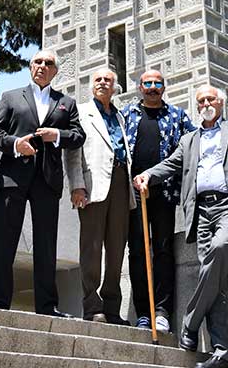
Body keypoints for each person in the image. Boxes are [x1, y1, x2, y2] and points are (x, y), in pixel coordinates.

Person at [133, 85, 228, 368]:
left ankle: (189, 323)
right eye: (200, 101)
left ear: (221, 103)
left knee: (220, 249)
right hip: (200, 212)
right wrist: (147, 175)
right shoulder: (189, 140)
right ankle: (223, 352)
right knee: (214, 280)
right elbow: (170, 165)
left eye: (210, 99)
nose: (205, 103)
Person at [0, 48, 85, 315]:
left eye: (48, 63)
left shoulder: (66, 102)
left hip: (48, 180)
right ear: (30, 67)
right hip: (12, 176)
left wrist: (57, 135)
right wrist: (16, 144)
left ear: (55, 70)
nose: (42, 66)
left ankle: (47, 306)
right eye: (37, 61)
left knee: (46, 245)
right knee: (2, 241)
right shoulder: (10, 97)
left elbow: (78, 136)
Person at [122, 69, 195, 333]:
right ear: (139, 87)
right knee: (138, 252)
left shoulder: (177, 116)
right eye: (147, 83)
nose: (152, 87)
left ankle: (162, 312)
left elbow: (194, 143)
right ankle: (143, 312)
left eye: (157, 83)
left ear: (164, 87)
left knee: (163, 249)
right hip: (133, 195)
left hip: (164, 195)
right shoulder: (127, 114)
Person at [65, 68, 135, 323]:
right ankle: (92, 306)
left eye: (108, 80)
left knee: (117, 249)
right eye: (98, 79)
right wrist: (76, 185)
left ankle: (113, 308)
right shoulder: (81, 112)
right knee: (91, 248)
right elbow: (73, 153)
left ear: (115, 86)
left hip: (121, 184)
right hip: (93, 186)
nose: (103, 83)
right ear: (91, 85)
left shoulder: (121, 116)